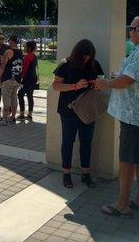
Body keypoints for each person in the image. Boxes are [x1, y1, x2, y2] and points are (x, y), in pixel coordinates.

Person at [93, 16, 139, 216]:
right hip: (138, 116)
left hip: (135, 117)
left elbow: (127, 81)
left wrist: (106, 83)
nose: (132, 31)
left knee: (127, 161)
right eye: (130, 28)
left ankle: (122, 203)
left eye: (136, 28)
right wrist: (116, 77)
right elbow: (129, 76)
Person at [53, 39, 104, 189]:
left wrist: (99, 85)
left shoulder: (95, 64)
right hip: (68, 110)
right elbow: (55, 85)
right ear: (77, 54)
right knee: (68, 141)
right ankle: (66, 173)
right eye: (84, 56)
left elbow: (102, 84)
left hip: (88, 110)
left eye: (89, 56)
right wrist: (75, 86)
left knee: (86, 142)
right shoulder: (66, 63)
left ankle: (85, 173)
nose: (87, 59)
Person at [0, 35, 23, 125]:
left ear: (11, 41)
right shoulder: (20, 52)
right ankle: (13, 117)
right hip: (17, 78)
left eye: (9, 41)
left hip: (8, 78)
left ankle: (4, 118)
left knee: (6, 98)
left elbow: (2, 66)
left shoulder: (8, 51)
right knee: (14, 97)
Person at [18, 40, 38, 120]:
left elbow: (24, 69)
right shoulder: (34, 56)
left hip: (27, 78)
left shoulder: (27, 56)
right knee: (30, 96)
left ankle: (22, 114)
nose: (24, 47)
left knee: (20, 95)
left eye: (25, 46)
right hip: (33, 77)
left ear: (29, 48)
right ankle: (29, 114)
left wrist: (20, 78)